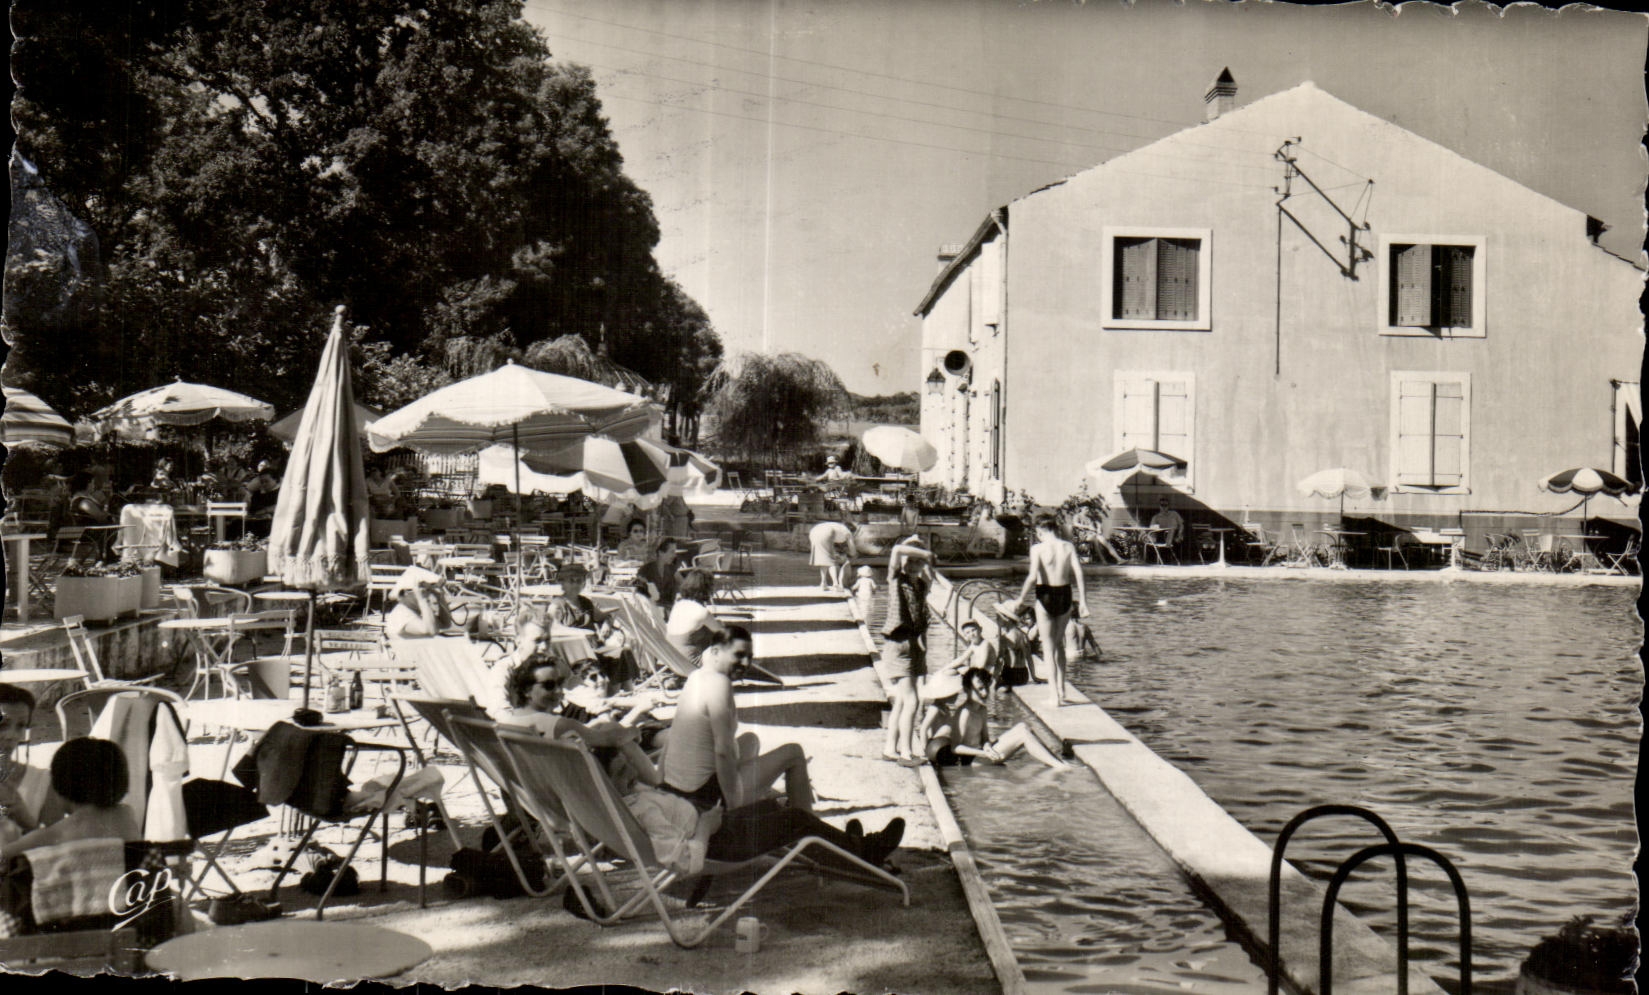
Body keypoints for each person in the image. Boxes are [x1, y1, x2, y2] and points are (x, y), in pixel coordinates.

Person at [657, 626, 815, 813]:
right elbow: (723, 751)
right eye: (738, 655)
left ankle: (766, 797)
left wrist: (660, 784)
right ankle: (807, 823)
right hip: (703, 796)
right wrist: (733, 805)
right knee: (794, 752)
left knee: (750, 739)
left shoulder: (696, 677)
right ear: (715, 652)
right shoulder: (719, 684)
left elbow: (673, 737)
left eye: (749, 657)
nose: (745, 663)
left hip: (677, 788)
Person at [498, 624, 659, 790]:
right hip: (572, 794)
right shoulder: (558, 724)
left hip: (538, 793)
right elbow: (613, 739)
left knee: (604, 726)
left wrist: (599, 726)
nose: (559, 691)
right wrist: (633, 731)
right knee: (615, 733)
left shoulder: (510, 722)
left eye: (560, 684)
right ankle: (657, 782)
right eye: (549, 685)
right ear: (526, 690)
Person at [0, 738, 139, 862]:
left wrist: (25, 821)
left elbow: (4, 856)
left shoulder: (56, 835)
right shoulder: (127, 816)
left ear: (60, 784)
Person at [919, 669, 1071, 771]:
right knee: (1023, 735)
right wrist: (984, 754)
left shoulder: (982, 709)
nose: (984, 693)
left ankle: (1056, 762)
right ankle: (1059, 766)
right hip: (973, 760)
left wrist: (986, 746)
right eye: (979, 689)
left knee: (1022, 727)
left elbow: (985, 737)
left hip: (984, 753)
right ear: (967, 690)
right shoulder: (964, 712)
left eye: (985, 688)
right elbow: (956, 748)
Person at [1011, 514, 1089, 707]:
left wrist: (1020, 599)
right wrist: (1084, 602)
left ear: (1040, 531)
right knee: (1059, 645)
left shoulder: (1037, 548)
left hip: (1045, 594)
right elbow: (1079, 573)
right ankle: (1062, 690)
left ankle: (1054, 696)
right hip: (1065, 594)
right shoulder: (1068, 546)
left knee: (1048, 647)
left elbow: (1032, 577)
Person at [880, 538, 933, 765]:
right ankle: (906, 753)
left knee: (902, 701)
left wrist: (926, 561)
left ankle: (891, 749)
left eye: (917, 562)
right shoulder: (895, 580)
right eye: (909, 561)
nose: (912, 566)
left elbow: (930, 578)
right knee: (912, 700)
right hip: (898, 645)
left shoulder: (921, 585)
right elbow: (896, 549)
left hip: (913, 645)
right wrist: (925, 553)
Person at [550, 562, 638, 687]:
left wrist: (607, 622)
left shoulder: (585, 602)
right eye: (571, 581)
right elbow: (554, 627)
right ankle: (615, 692)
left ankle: (626, 691)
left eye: (579, 581)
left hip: (593, 647)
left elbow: (600, 616)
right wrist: (580, 632)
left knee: (623, 651)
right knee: (614, 655)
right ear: (563, 584)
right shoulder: (557, 604)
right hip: (574, 651)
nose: (576, 584)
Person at [0, 687, 54, 847]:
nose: (12, 735)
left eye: (21, 725)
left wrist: (25, 820)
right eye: (2, 724)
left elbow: (58, 851)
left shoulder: (43, 781)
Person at [665, 568, 726, 669]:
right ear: (706, 589)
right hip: (692, 663)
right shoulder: (702, 612)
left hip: (673, 661)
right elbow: (722, 632)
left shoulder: (678, 605)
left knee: (704, 631)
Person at [384, 566, 457, 638]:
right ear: (405, 593)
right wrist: (422, 600)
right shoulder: (400, 614)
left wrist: (440, 598)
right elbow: (429, 631)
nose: (427, 594)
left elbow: (445, 624)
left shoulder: (414, 611)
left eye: (428, 590)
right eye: (423, 590)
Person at [808, 519, 858, 591]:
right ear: (852, 530)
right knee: (831, 561)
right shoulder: (848, 532)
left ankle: (823, 583)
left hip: (814, 532)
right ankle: (835, 584)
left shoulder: (838, 527)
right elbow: (853, 551)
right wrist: (852, 555)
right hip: (826, 532)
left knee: (824, 560)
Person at [635, 537, 682, 611]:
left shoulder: (672, 569)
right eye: (672, 552)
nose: (674, 555)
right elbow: (639, 596)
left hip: (669, 610)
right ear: (660, 553)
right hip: (651, 611)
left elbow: (685, 585)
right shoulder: (645, 570)